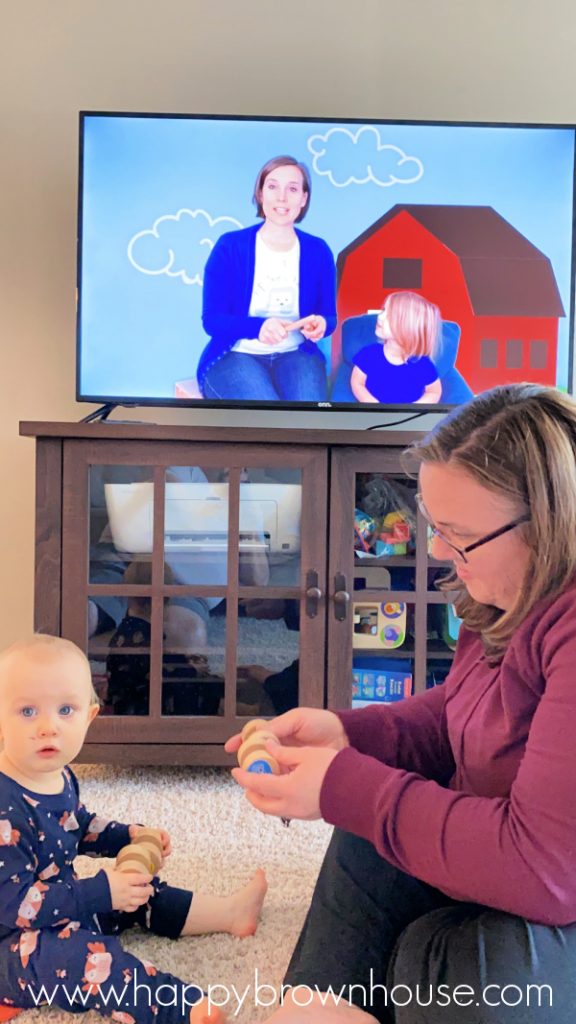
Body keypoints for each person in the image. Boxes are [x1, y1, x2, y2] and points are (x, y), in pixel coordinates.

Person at [227, 383, 576, 1023]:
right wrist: (347, 737)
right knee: (372, 819)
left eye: (458, 534)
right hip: (511, 860)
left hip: (554, 888)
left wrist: (350, 786)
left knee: (461, 964)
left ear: (550, 525)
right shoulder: (507, 591)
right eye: (432, 524)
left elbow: (547, 871)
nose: (438, 550)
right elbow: (459, 715)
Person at [0, 635, 267, 1024]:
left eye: (65, 710)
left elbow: (79, 825)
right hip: (14, 947)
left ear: (89, 716)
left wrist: (127, 835)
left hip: (64, 908)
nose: (48, 727)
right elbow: (16, 905)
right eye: (27, 711)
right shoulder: (4, 808)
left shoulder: (58, 774)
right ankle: (179, 1007)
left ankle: (229, 912)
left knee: (139, 891)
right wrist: (97, 892)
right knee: (86, 958)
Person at [198, 155, 337, 401]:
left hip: (296, 353)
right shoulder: (230, 246)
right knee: (268, 416)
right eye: (272, 186)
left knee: (309, 418)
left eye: (293, 189)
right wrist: (258, 327)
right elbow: (212, 320)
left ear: (303, 198)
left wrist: (322, 324)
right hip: (235, 354)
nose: (282, 197)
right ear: (260, 193)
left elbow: (330, 316)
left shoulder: (318, 250)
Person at [351, 291, 442, 405]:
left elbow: (434, 392)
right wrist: (373, 405)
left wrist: (413, 408)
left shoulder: (423, 364)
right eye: (384, 310)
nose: (380, 317)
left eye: (390, 316)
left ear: (409, 328)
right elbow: (357, 382)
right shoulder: (369, 354)